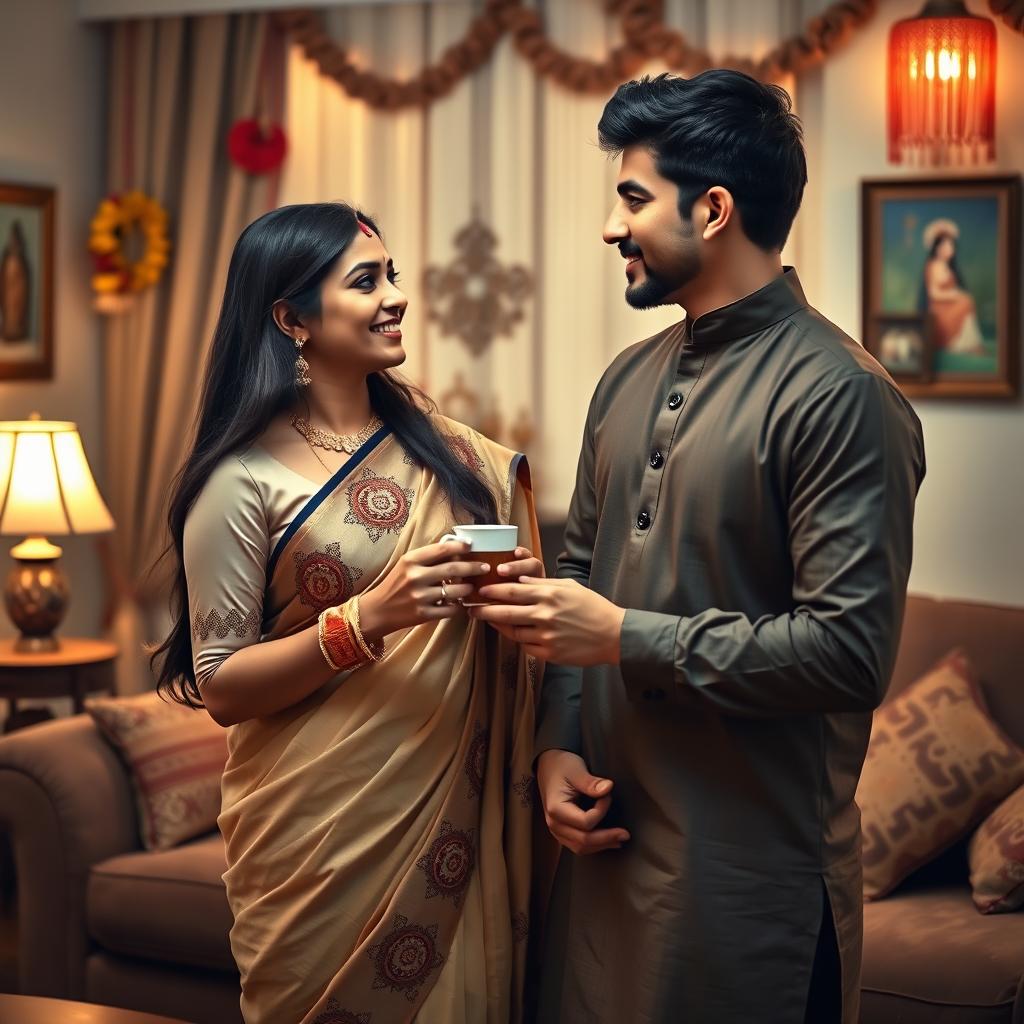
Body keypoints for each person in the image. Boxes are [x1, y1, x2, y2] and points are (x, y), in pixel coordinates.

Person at [471, 70, 926, 1023]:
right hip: (604, 864)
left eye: (633, 198)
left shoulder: (842, 395)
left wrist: (624, 637)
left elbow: (848, 653)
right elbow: (577, 579)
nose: (610, 225)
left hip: (746, 894)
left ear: (713, 209)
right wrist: (556, 748)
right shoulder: (624, 381)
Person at [152, 202, 550, 1024]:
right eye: (366, 281)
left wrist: (520, 600)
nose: (395, 296)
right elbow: (220, 683)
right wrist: (368, 617)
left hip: (454, 809)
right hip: (315, 839)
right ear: (291, 318)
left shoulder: (451, 453)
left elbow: (511, 623)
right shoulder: (241, 479)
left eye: (391, 276)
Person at [920, 219, 984, 354]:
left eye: (950, 246)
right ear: (936, 248)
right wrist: (954, 295)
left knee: (966, 300)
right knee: (965, 301)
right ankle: (958, 344)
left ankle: (969, 344)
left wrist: (957, 295)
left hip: (951, 305)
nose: (948, 249)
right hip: (939, 308)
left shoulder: (949, 268)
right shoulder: (933, 266)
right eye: (944, 246)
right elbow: (934, 293)